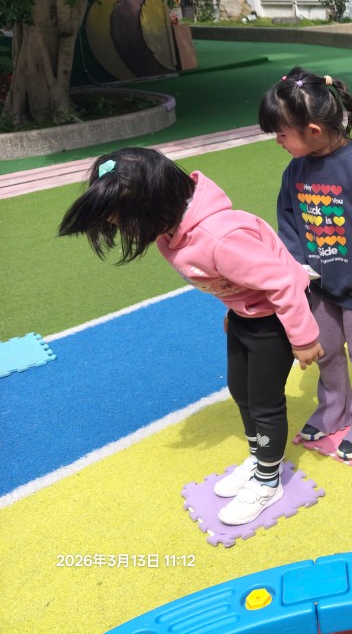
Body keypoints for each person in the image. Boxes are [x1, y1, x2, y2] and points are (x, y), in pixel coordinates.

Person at [58, 148, 323, 526]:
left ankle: (268, 480)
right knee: (241, 390)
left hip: (275, 321)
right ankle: (259, 459)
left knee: (264, 403)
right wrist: (235, 311)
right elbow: (235, 281)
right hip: (247, 317)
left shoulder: (221, 238)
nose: (120, 228)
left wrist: (303, 338)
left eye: (122, 220)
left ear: (152, 205)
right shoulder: (172, 233)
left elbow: (284, 282)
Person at [259, 68, 352, 461]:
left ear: (312, 130)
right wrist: (297, 266)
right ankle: (334, 408)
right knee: (325, 349)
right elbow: (288, 220)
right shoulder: (296, 170)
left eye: (281, 134)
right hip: (319, 285)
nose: (277, 142)